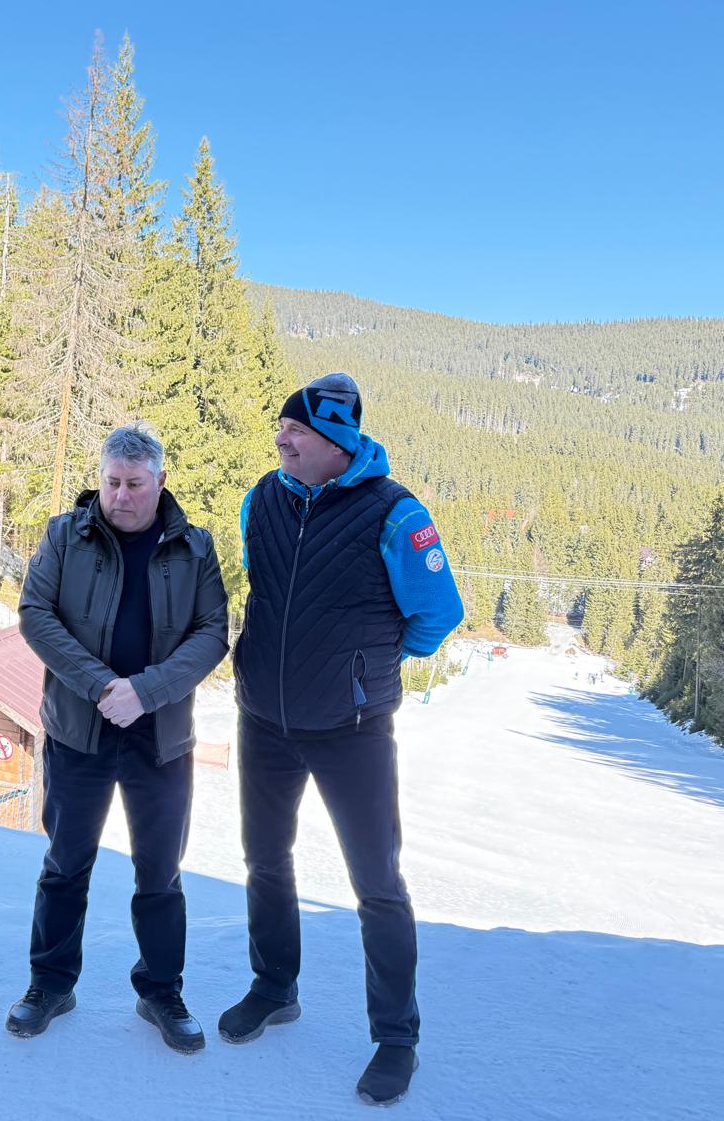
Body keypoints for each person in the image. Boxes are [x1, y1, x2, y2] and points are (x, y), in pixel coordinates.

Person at [220, 373, 463, 1107]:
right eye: (281, 430)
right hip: (264, 715)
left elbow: (437, 615)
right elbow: (262, 583)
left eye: (295, 431)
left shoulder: (397, 513)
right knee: (264, 860)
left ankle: (396, 1037)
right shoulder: (263, 496)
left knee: (377, 885)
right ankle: (274, 986)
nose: (281, 439)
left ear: (338, 441)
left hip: (353, 731)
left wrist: (370, 664)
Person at [7, 424, 230, 1054]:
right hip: (79, 731)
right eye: (111, 482)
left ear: (160, 482)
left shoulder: (194, 547)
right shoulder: (64, 535)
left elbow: (213, 632)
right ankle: (49, 984)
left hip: (161, 739)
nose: (121, 496)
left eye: (135, 484)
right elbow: (35, 614)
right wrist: (105, 686)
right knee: (65, 863)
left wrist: (148, 692)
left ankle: (161, 989)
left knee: (160, 872)